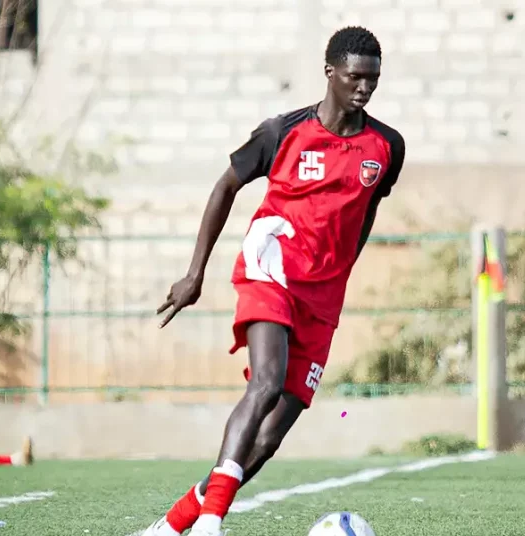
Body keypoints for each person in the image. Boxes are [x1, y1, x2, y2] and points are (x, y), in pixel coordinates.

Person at [142, 26, 405, 536]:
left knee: (267, 439)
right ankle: (210, 523)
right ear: (329, 72)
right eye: (355, 76)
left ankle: (172, 525)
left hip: (323, 297)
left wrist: (345, 263)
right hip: (271, 270)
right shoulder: (282, 132)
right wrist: (195, 273)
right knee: (265, 383)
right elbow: (226, 186)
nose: (365, 88)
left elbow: (368, 207)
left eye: (373, 78)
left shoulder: (387, 146)